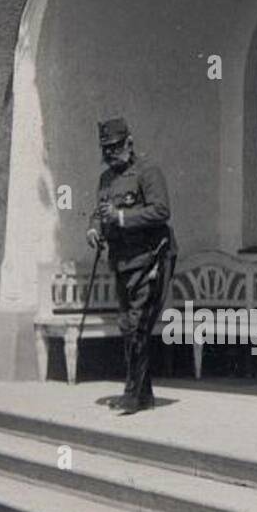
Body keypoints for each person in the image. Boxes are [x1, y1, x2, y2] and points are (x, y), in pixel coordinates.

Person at [86, 118, 176, 416]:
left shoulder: (148, 172)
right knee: (128, 325)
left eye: (115, 147)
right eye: (106, 149)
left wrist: (121, 218)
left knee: (137, 325)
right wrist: (94, 229)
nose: (111, 154)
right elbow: (100, 213)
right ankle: (143, 394)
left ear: (129, 143)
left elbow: (161, 211)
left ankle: (131, 394)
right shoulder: (106, 179)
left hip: (151, 258)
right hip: (122, 261)